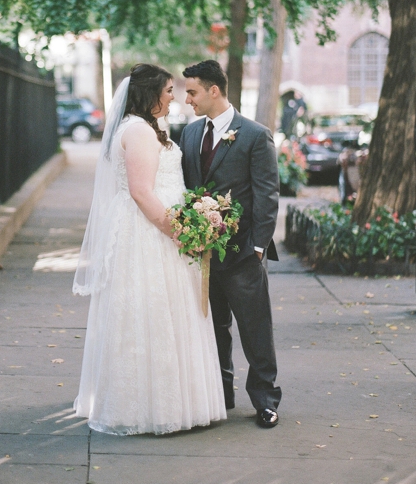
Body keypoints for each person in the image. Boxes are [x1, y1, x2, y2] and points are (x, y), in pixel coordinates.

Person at [73, 63, 226, 435]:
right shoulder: (139, 131)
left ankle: (173, 403)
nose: (174, 97)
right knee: (151, 316)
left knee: (168, 315)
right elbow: (142, 192)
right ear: (151, 94)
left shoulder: (146, 128)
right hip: (150, 233)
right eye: (169, 90)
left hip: (161, 227)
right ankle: (146, 408)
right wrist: (179, 231)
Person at [180, 59, 282, 429]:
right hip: (203, 256)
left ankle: (266, 401)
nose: (187, 98)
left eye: (192, 91)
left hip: (242, 255)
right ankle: (221, 396)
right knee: (214, 330)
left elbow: (267, 194)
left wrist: (257, 248)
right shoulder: (190, 134)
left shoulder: (255, 135)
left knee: (255, 329)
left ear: (214, 90)